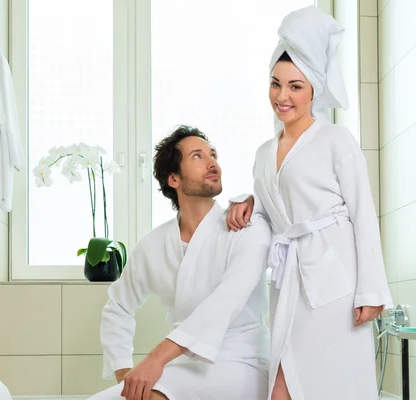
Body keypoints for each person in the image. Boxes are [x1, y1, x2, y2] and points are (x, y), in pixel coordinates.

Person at [227, 6, 393, 400]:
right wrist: (248, 203)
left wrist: (371, 290)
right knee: (282, 385)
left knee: (326, 383)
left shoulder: (336, 140)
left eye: (295, 86)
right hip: (289, 282)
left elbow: (364, 215)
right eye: (275, 83)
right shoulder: (264, 153)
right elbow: (273, 216)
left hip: (335, 284)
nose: (282, 96)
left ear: (315, 89)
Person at [91, 126, 272, 400]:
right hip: (185, 368)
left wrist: (155, 360)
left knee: (152, 396)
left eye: (213, 155)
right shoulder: (153, 244)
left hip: (242, 363)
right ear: (173, 179)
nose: (213, 163)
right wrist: (122, 370)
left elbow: (223, 303)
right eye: (197, 157)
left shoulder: (247, 227)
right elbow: (118, 306)